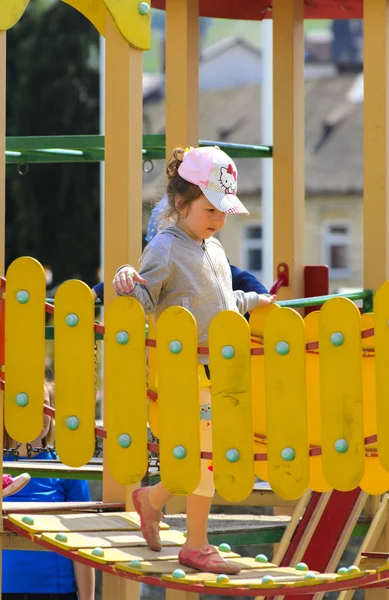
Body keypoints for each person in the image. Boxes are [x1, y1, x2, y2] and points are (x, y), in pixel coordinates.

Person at [112, 146, 276, 574]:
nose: (218, 219)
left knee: (209, 452)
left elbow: (220, 303)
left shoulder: (214, 248)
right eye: (210, 209)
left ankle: (153, 500)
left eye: (223, 211)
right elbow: (146, 297)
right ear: (181, 203)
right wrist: (128, 281)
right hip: (185, 372)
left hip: (216, 371)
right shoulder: (166, 247)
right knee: (203, 453)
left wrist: (253, 299)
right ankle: (196, 543)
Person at [2, 381, 95, 600]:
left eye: (44, 405)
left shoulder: (66, 469)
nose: (37, 413)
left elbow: (81, 541)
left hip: (56, 592)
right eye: (24, 404)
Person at [91, 197, 268, 304]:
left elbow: (242, 279)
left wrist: (262, 297)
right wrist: (98, 291)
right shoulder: (162, 264)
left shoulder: (213, 262)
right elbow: (140, 282)